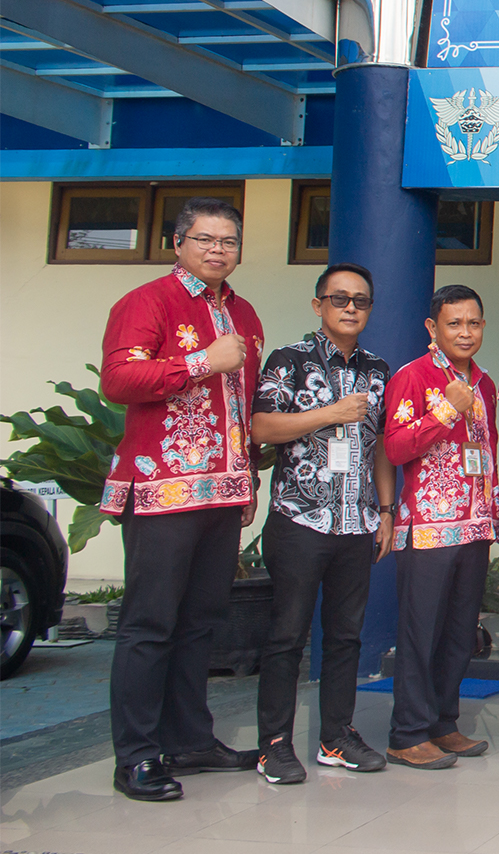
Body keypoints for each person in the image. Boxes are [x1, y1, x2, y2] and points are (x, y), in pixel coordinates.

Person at [100, 197, 264, 801]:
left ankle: (191, 740)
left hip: (222, 492)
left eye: (228, 241)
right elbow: (118, 379)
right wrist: (201, 361)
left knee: (201, 625)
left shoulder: (243, 312)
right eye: (205, 239)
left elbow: (240, 410)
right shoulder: (147, 302)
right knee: (150, 625)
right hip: (162, 490)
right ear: (178, 243)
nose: (218, 250)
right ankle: (137, 756)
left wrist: (243, 478)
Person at [251, 263, 395, 784]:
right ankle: (274, 745)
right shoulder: (288, 361)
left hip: (356, 523)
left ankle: (336, 737)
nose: (350, 308)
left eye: (360, 300)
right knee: (287, 635)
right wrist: (330, 414)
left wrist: (385, 511)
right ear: (319, 305)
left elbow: (378, 447)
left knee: (345, 637)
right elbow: (262, 427)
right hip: (299, 520)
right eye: (339, 299)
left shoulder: (378, 370)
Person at [382, 284, 499, 770]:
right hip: (429, 528)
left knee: (458, 633)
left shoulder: (487, 382)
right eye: (454, 323)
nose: (465, 332)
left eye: (473, 323)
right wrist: (447, 407)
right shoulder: (414, 377)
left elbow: (487, 452)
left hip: (473, 527)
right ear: (433, 327)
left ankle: (443, 723)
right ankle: (407, 732)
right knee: (420, 633)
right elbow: (395, 448)